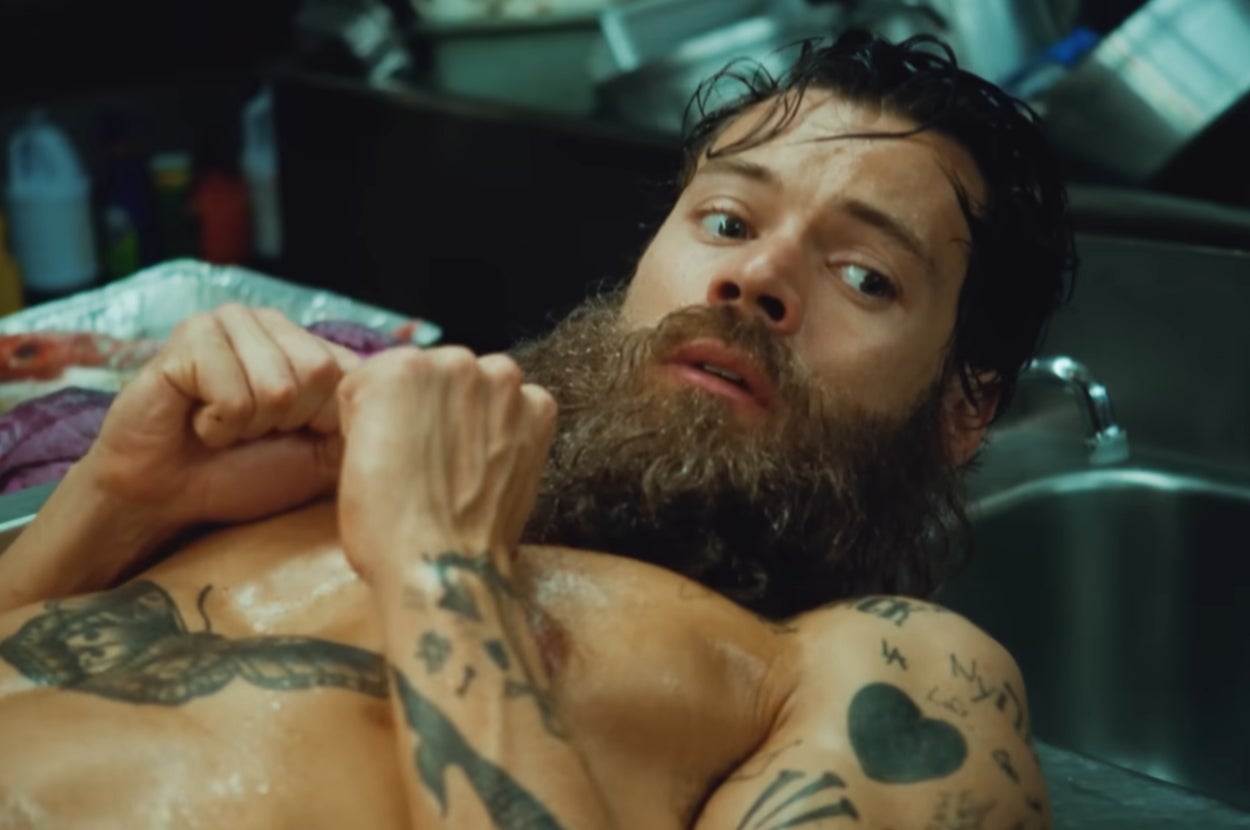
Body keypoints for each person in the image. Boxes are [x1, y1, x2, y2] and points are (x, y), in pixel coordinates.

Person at [0, 30, 1072, 829]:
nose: (753, 275)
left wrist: (440, 566)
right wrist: (120, 496)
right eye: (727, 220)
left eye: (863, 274)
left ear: (961, 406)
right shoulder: (316, 473)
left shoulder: (878, 666)